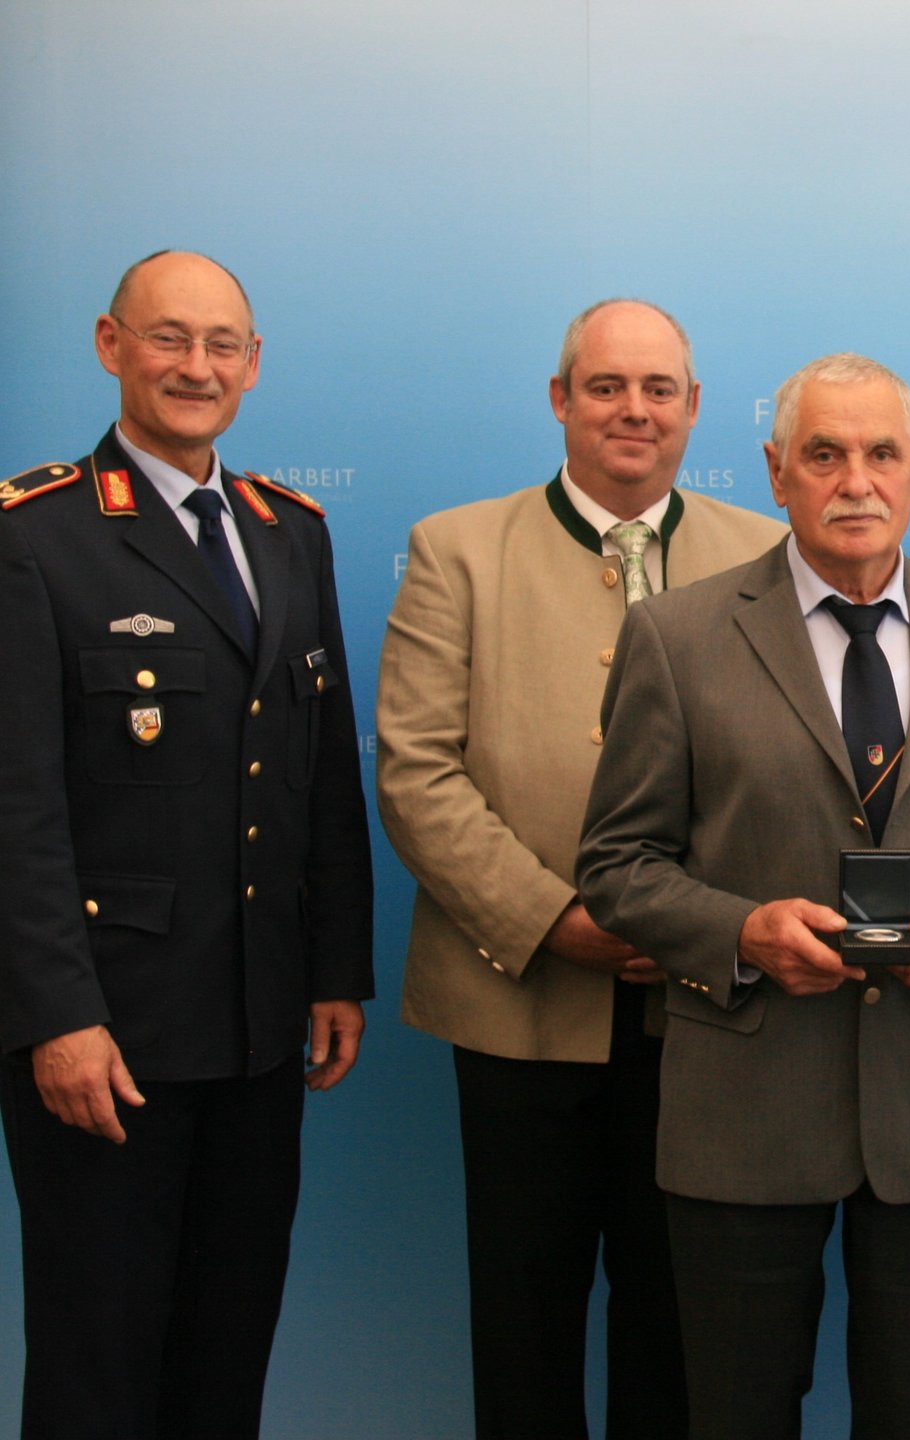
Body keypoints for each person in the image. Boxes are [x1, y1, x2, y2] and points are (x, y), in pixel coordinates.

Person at [575, 352, 910, 1440]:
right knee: (738, 1413)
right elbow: (616, 863)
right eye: (825, 454)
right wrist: (740, 931)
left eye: (882, 454)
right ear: (776, 472)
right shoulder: (678, 636)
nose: (856, 481)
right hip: (743, 1103)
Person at [376, 298, 784, 1438]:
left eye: (659, 389)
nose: (633, 410)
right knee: (525, 1328)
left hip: (706, 1019)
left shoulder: (766, 554)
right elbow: (416, 774)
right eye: (606, 386)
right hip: (520, 1010)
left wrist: (702, 924)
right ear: (561, 400)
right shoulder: (459, 549)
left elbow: (796, 772)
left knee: (678, 1331)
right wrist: (557, 919)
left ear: (695, 408)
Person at [0, 250, 372, 1438]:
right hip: (108, 1036)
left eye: (222, 345)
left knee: (225, 1356)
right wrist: (56, 1016)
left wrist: (335, 971)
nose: (196, 367)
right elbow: (16, 807)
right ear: (111, 345)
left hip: (258, 1028)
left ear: (252, 366)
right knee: (98, 1369)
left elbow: (322, 775)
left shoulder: (287, 532)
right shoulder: (36, 535)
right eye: (169, 338)